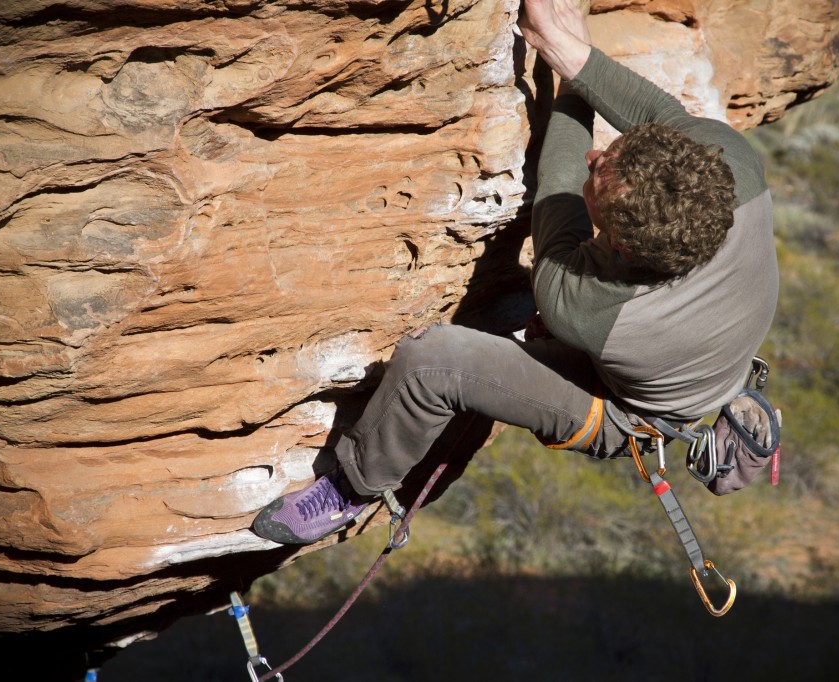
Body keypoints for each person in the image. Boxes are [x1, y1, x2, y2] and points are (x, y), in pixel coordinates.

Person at [252, 0, 778, 545]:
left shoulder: (586, 306)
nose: (595, 159)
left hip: (620, 407)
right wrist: (568, 45)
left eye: (598, 180)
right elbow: (653, 110)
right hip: (695, 352)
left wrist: (570, 77)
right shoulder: (729, 168)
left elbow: (557, 179)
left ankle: (353, 488)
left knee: (432, 365)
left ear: (619, 247)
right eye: (607, 154)